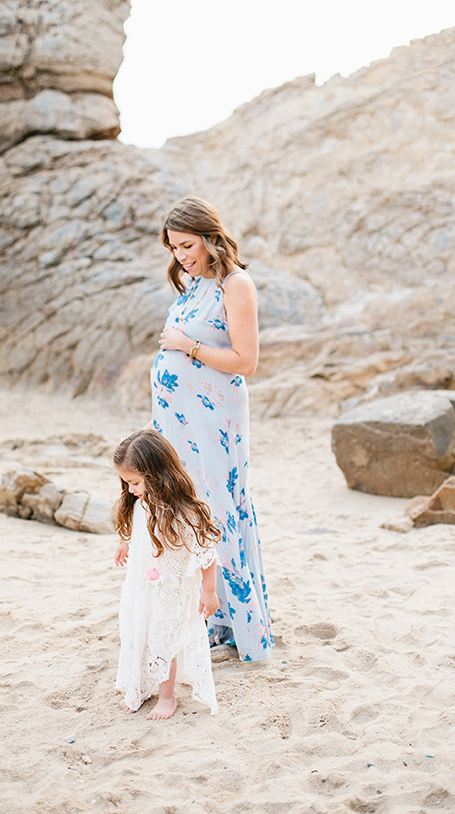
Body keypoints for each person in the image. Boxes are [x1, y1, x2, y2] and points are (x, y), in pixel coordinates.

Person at [151, 195, 273, 663]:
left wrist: (188, 345)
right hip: (179, 423)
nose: (180, 255)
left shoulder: (236, 284)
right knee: (188, 511)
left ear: (210, 237)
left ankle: (241, 629)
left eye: (187, 245)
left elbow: (246, 361)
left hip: (215, 421)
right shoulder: (192, 283)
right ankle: (206, 617)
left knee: (217, 509)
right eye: (173, 247)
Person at [113, 428, 221, 719]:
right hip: (141, 585)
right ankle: (139, 687)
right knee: (139, 632)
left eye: (135, 482)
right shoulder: (141, 502)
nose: (131, 489)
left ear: (157, 474)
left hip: (170, 588)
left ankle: (167, 697)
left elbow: (206, 551)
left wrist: (209, 591)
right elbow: (137, 530)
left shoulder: (182, 511)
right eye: (127, 483)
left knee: (163, 639)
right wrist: (124, 543)